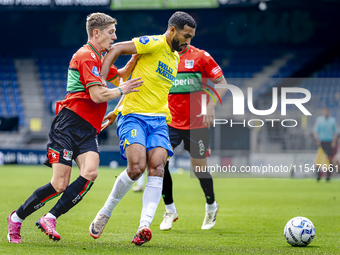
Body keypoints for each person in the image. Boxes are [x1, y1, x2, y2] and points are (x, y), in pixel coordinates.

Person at [7, 12, 143, 244]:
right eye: (111, 32)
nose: (115, 36)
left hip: (88, 128)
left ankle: (50, 217)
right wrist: (123, 90)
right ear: (96, 33)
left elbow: (119, 77)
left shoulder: (101, 57)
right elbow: (98, 95)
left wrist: (138, 56)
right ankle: (17, 218)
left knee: (90, 173)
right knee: (59, 184)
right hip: (68, 124)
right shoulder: (86, 55)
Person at [89, 11, 196, 246]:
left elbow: (147, 88)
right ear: (172, 31)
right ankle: (104, 213)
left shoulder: (175, 59)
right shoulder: (152, 43)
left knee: (157, 168)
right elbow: (115, 49)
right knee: (136, 168)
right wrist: (100, 81)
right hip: (134, 117)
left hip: (158, 121)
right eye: (186, 36)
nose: (188, 42)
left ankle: (143, 227)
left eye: (191, 37)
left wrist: (114, 109)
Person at [159, 45, 228, 231]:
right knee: (159, 162)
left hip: (197, 124)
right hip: (170, 122)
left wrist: (211, 107)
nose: (187, 38)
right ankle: (169, 210)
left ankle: (211, 206)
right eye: (185, 34)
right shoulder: (162, 54)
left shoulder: (201, 56)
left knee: (199, 169)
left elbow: (222, 83)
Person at [313, 107, 337, 182]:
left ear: (328, 112)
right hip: (321, 142)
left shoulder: (333, 120)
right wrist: (317, 139)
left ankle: (328, 177)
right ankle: (318, 176)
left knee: (329, 159)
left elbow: (335, 132)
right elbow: (315, 131)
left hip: (329, 141)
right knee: (319, 159)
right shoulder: (319, 120)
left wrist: (334, 141)